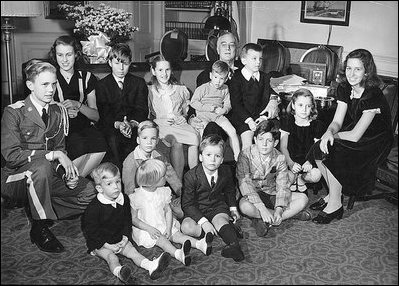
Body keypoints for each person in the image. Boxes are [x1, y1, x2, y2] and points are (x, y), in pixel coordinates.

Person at [1, 59, 97, 253]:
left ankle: (42, 207)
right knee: (42, 166)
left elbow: (61, 149)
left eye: (53, 84)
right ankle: (40, 226)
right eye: (44, 84)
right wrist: (52, 154)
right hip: (15, 179)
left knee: (90, 193)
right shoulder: (13, 112)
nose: (50, 89)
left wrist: (65, 175)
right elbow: (11, 156)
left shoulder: (57, 111)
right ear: (30, 85)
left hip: (46, 176)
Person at [307, 49, 394, 224]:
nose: (351, 74)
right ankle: (333, 193)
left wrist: (331, 137)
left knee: (334, 150)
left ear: (367, 72)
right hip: (357, 131)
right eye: (348, 68)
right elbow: (337, 121)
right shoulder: (345, 87)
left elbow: (355, 136)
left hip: (375, 140)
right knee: (319, 148)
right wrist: (329, 132)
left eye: (357, 69)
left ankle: (335, 205)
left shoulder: (373, 95)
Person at [82, 162, 171, 284]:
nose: (115, 187)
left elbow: (126, 221)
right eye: (109, 184)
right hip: (101, 242)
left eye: (118, 182)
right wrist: (106, 245)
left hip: (119, 238)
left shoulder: (123, 198)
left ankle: (151, 266)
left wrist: (125, 237)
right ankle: (120, 272)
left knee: (134, 252)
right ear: (99, 188)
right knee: (111, 257)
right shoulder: (93, 208)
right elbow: (91, 231)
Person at [129, 159, 213, 267]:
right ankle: (178, 254)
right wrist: (149, 229)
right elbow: (134, 219)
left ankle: (200, 244)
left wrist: (168, 228)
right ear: (152, 182)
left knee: (178, 235)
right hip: (147, 228)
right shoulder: (137, 197)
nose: (166, 177)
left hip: (163, 223)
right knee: (162, 240)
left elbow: (168, 210)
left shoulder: (163, 191)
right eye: (163, 176)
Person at [236, 120, 311, 237]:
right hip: (252, 194)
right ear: (255, 140)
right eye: (260, 140)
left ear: (275, 142)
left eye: (269, 140)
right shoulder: (245, 155)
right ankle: (288, 215)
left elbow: (282, 185)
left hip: (271, 192)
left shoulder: (280, 157)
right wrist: (262, 209)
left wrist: (280, 208)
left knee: (303, 199)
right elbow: (245, 184)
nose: (264, 144)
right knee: (243, 206)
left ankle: (266, 219)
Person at [48, 35, 107, 177]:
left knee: (101, 144)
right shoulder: (50, 77)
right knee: (78, 143)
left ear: (76, 54)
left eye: (69, 54)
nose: (64, 60)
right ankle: (72, 183)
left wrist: (78, 105)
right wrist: (64, 111)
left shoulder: (87, 77)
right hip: (59, 127)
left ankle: (75, 182)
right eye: (60, 55)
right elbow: (45, 110)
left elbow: (96, 116)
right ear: (55, 56)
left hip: (83, 123)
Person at [180, 134, 244, 262]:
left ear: (222, 159)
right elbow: (187, 204)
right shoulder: (190, 176)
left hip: (217, 207)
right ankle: (224, 230)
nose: (212, 160)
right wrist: (204, 222)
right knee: (186, 227)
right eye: (208, 155)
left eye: (217, 156)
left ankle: (234, 246)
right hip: (197, 209)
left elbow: (229, 190)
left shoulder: (226, 171)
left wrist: (233, 208)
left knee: (220, 220)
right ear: (200, 157)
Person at [96, 43, 149, 170]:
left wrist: (131, 124)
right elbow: (104, 113)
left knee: (138, 138)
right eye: (117, 63)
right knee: (113, 140)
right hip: (111, 126)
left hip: (133, 125)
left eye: (125, 64)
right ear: (110, 63)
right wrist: (119, 124)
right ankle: (119, 178)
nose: (121, 68)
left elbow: (142, 110)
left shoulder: (139, 83)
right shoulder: (102, 85)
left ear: (130, 63)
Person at [148, 55, 200, 179]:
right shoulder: (149, 91)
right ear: (153, 71)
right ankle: (179, 184)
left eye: (167, 70)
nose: (164, 74)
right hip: (161, 125)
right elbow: (147, 115)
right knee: (178, 143)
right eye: (160, 70)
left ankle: (194, 179)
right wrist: (159, 120)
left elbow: (187, 109)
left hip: (179, 124)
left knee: (194, 137)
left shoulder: (180, 89)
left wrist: (185, 116)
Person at [122, 120, 183, 219]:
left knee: (181, 212)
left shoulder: (159, 155)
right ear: (138, 140)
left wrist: (181, 194)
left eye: (153, 138)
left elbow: (171, 176)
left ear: (158, 141)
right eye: (145, 138)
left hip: (159, 194)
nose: (149, 142)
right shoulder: (130, 162)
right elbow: (130, 191)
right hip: (143, 200)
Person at [191, 31, 243, 141]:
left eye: (232, 44)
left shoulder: (245, 72)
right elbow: (196, 100)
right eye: (223, 44)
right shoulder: (206, 75)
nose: (228, 48)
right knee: (212, 127)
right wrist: (191, 119)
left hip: (241, 118)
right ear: (218, 49)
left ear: (236, 49)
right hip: (215, 118)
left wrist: (272, 99)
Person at [229, 43, 280, 150]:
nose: (258, 62)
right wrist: (249, 120)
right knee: (247, 140)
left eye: (260, 59)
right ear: (244, 60)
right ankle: (244, 165)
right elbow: (236, 104)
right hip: (242, 118)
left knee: (265, 139)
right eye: (254, 58)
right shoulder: (236, 78)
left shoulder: (265, 77)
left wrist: (263, 117)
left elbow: (267, 99)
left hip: (259, 117)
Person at [190, 60, 241, 161]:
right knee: (202, 135)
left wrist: (224, 110)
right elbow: (193, 102)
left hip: (218, 115)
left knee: (232, 131)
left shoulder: (225, 89)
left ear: (226, 79)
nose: (218, 81)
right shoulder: (203, 88)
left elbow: (228, 103)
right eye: (215, 77)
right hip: (203, 115)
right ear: (210, 75)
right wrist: (209, 108)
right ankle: (202, 158)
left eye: (221, 78)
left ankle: (238, 158)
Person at [279, 88, 324, 192]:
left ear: (312, 107)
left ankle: (302, 180)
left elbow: (317, 149)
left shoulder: (317, 125)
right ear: (293, 105)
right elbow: (283, 147)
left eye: (308, 106)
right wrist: (290, 163)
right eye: (300, 105)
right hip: (290, 161)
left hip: (307, 163)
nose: (304, 109)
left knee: (316, 175)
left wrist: (310, 162)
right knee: (284, 179)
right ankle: (293, 178)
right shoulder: (287, 121)